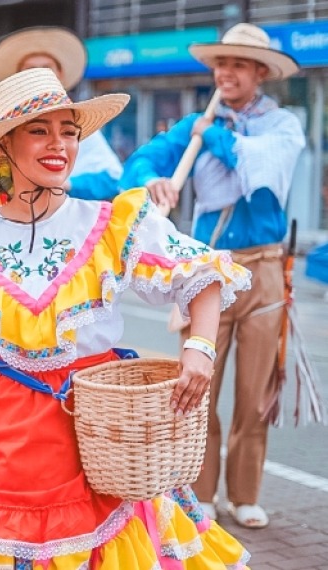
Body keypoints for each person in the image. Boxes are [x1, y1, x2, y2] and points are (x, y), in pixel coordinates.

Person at [0, 68, 253, 568]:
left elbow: (202, 275)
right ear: (5, 145)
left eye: (69, 132)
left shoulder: (109, 223)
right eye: (40, 130)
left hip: (103, 426)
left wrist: (199, 349)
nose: (59, 145)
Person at [119, 23, 305, 530]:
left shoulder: (282, 126)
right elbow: (140, 163)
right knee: (196, 386)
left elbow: (264, 172)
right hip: (206, 272)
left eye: (239, 64)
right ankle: (199, 494)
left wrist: (213, 136)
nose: (226, 73)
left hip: (265, 268)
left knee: (253, 393)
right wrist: (151, 182)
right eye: (221, 64)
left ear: (260, 73)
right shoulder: (192, 127)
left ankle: (245, 495)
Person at [0, 27, 124, 203]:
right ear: (17, 78)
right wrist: (4, 180)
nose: (58, 143)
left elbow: (112, 179)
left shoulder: (77, 125)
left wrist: (65, 184)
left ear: (60, 75)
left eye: (46, 68)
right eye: (30, 69)